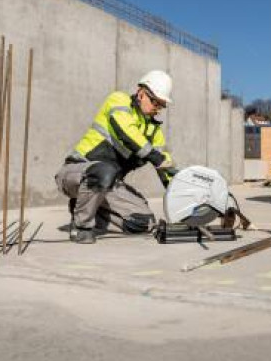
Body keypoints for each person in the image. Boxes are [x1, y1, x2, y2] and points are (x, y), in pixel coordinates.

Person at [55, 70, 178, 244]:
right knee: (103, 171)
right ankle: (82, 226)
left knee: (143, 222)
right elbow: (127, 132)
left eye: (161, 105)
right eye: (154, 102)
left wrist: (178, 189)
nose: (156, 109)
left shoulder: (153, 131)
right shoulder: (119, 101)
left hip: (108, 185)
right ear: (141, 93)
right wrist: (154, 156)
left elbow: (164, 164)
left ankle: (88, 210)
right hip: (76, 174)